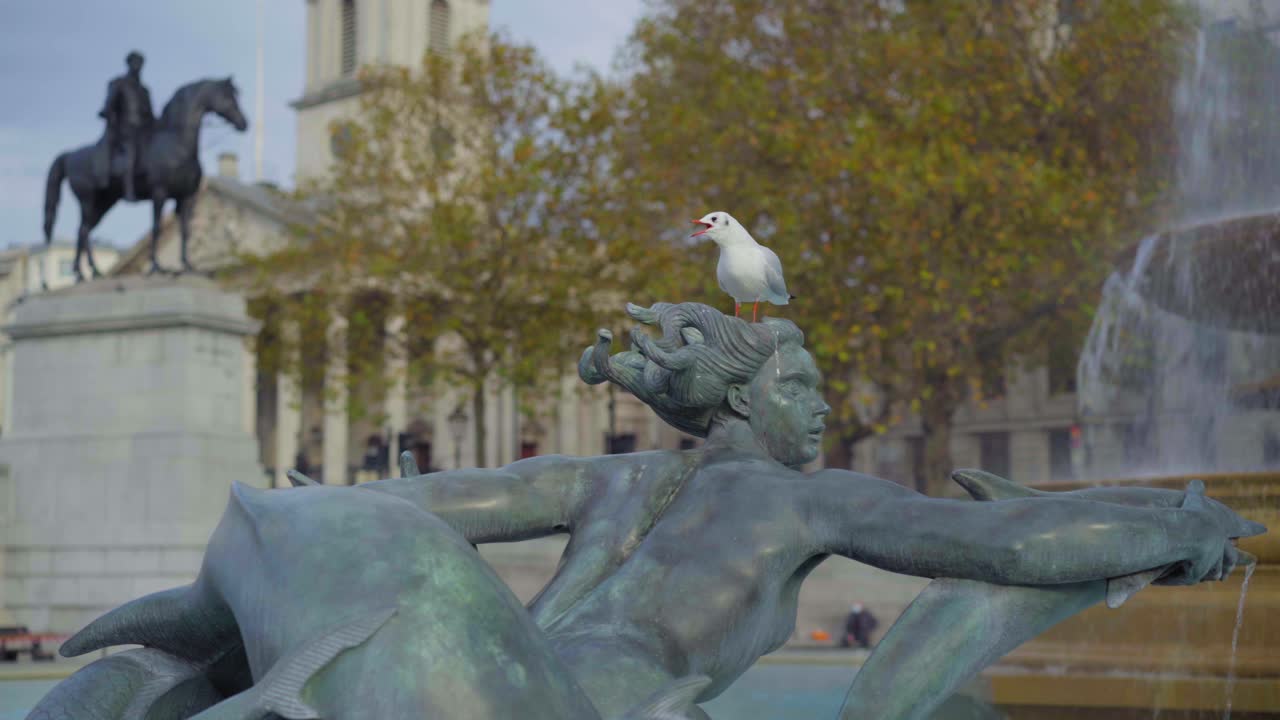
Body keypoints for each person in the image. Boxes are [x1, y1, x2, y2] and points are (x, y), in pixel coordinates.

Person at [39, 302, 1263, 720]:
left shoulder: (601, 479)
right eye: (801, 383)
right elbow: (1016, 540)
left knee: (274, 595)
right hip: (556, 710)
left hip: (458, 652)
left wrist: (225, 598)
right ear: (740, 396)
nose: (821, 402)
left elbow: (387, 506)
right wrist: (1179, 523)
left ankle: (174, 669)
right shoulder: (808, 502)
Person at [99, 51, 154, 201]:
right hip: (125, 130)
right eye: (135, 62)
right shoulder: (120, 84)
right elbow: (109, 104)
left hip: (143, 131)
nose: (138, 66)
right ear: (129, 63)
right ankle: (129, 189)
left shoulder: (144, 90)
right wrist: (107, 112)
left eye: (140, 63)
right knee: (131, 152)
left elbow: (150, 114)